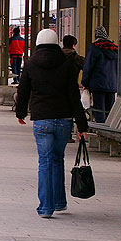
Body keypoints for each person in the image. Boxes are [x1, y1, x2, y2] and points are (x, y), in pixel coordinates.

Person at [15, 28, 89, 219]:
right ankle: (59, 202)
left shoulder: (31, 64)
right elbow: (74, 96)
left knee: (45, 162)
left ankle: (46, 208)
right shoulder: (66, 65)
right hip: (64, 120)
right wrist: (82, 126)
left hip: (42, 120)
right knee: (58, 159)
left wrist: (21, 113)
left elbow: (23, 92)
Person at [82, 25, 118, 124]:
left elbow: (88, 66)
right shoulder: (114, 49)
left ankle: (101, 132)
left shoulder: (95, 48)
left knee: (99, 109)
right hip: (112, 84)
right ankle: (109, 129)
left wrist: (85, 82)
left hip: (98, 84)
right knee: (109, 110)